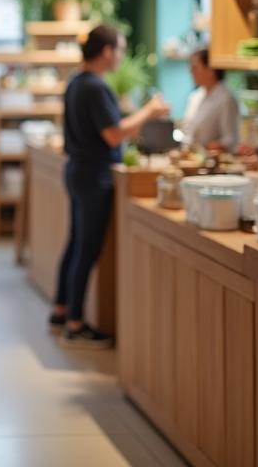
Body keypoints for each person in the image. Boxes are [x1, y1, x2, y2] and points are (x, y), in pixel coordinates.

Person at [51, 25, 170, 348]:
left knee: (75, 242)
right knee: (86, 248)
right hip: (95, 175)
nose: (121, 56)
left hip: (78, 171)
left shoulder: (77, 81)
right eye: (120, 49)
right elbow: (113, 134)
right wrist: (148, 112)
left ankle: (61, 309)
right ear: (107, 51)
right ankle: (75, 323)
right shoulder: (95, 87)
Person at [181, 48, 240, 152]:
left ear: (210, 70)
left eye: (195, 67)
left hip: (212, 162)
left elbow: (231, 138)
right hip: (193, 158)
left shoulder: (226, 99)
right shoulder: (195, 96)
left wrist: (212, 147)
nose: (191, 71)